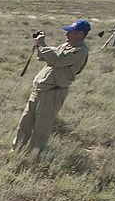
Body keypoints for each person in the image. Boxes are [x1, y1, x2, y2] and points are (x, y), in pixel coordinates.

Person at [12, 18, 90, 155]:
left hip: (53, 93)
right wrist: (39, 44)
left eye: (71, 32)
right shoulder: (65, 46)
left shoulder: (80, 51)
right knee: (25, 122)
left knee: (42, 127)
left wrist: (42, 43)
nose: (67, 35)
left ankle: (33, 156)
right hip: (39, 90)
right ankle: (16, 150)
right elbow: (44, 57)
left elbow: (55, 60)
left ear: (81, 34)